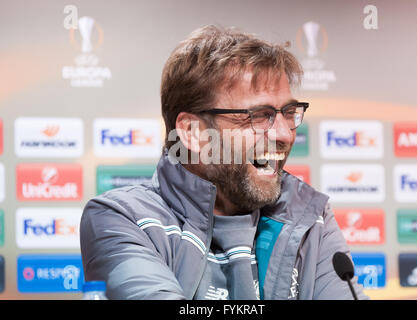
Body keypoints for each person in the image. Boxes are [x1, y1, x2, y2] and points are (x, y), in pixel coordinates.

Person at [80, 25, 368, 300]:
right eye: (260, 115)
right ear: (192, 132)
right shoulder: (121, 218)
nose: (284, 134)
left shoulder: (310, 215)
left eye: (289, 112)